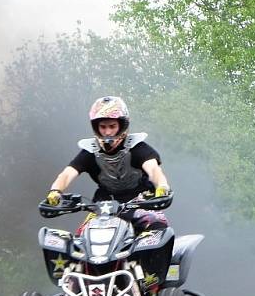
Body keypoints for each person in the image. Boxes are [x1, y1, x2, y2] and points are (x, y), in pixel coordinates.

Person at [44, 95, 171, 231]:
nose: (107, 132)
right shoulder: (90, 151)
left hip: (140, 202)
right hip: (103, 207)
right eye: (103, 127)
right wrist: (55, 191)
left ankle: (160, 252)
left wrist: (162, 186)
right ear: (96, 127)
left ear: (122, 125)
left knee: (156, 222)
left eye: (112, 126)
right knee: (82, 234)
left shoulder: (137, 147)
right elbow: (68, 174)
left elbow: (153, 169)